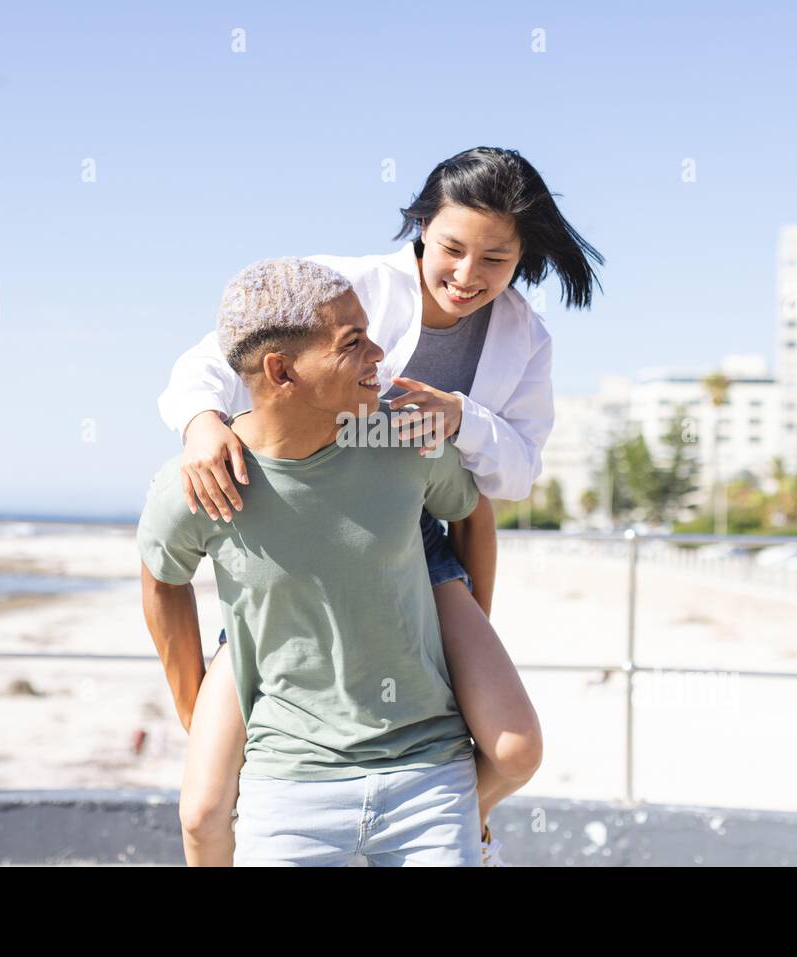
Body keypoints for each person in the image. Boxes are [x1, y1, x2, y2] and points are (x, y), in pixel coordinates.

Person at [160, 147, 602, 864]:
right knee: (209, 801)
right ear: (422, 226)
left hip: (426, 543)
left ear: (523, 257)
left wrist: (459, 414)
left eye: (495, 258)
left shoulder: (526, 336)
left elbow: (517, 472)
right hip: (302, 534)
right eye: (453, 248)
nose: (467, 276)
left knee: (515, 746)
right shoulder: (350, 286)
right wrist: (203, 424)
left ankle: (462, 816)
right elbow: (211, 360)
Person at [140, 258, 487, 865]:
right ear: (282, 371)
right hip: (286, 779)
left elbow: (468, 512)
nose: (381, 352)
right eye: (353, 343)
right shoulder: (204, 481)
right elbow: (163, 578)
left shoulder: (401, 440)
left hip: (428, 767)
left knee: (520, 748)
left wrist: (465, 636)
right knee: (199, 818)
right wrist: (195, 712)